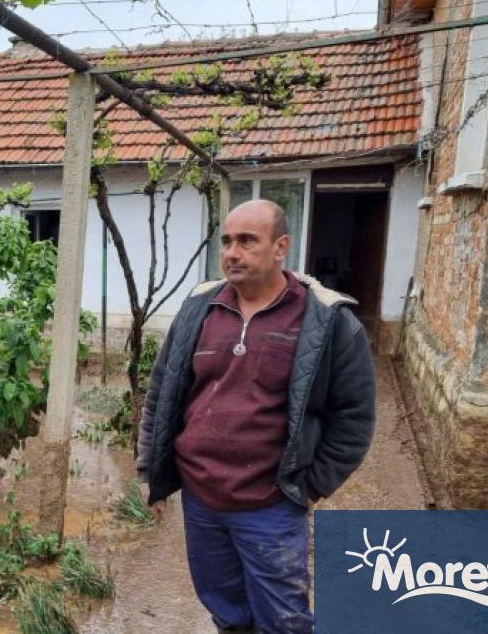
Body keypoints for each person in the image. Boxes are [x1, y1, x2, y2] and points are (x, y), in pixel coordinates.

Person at [135, 199, 377, 634]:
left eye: (247, 241)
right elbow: (162, 394)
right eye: (227, 241)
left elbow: (354, 418)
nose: (232, 252)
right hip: (201, 500)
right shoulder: (198, 310)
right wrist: (149, 470)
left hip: (270, 506)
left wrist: (309, 484)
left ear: (280, 246)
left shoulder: (327, 321)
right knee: (227, 611)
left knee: (284, 619)